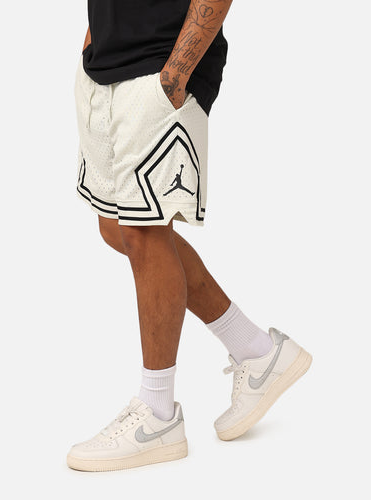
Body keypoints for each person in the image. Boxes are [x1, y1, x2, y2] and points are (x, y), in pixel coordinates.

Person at [67, 0, 312, 472]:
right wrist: (92, 43)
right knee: (117, 227)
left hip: (160, 67)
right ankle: (258, 351)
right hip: (104, 66)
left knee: (144, 231)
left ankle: (158, 414)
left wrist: (176, 75)